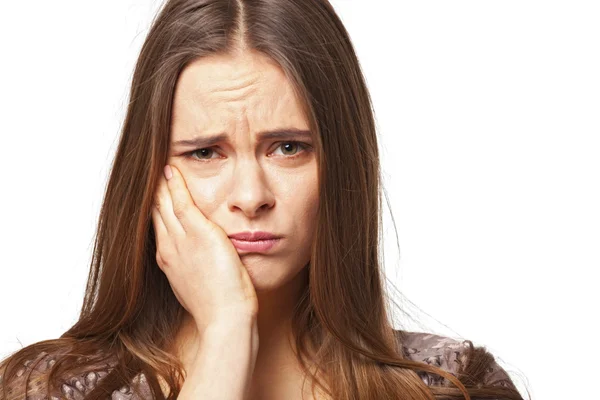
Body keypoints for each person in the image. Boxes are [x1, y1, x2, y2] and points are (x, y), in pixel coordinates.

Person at [0, 0, 527, 399]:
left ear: (342, 164)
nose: (251, 196)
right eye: (206, 152)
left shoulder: (456, 387)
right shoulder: (48, 389)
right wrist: (225, 334)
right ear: (150, 174)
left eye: (289, 148)